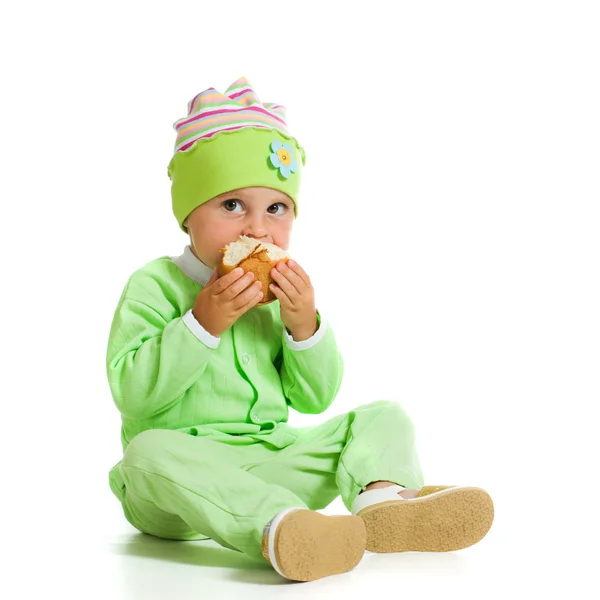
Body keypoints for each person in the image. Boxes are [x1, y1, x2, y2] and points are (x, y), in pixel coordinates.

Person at [106, 76, 494, 582]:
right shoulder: (153, 284)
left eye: (276, 208)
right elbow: (132, 393)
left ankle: (382, 502)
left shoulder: (276, 297)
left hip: (272, 461)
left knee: (382, 416)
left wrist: (303, 325)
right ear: (188, 218)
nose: (257, 229)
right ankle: (277, 529)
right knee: (145, 455)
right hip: (178, 488)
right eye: (231, 206)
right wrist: (203, 323)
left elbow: (314, 400)